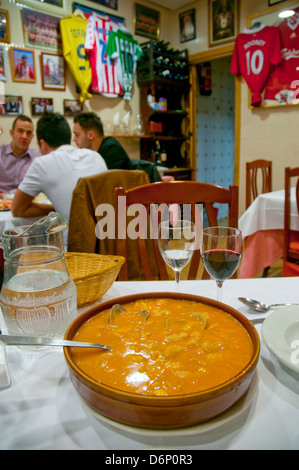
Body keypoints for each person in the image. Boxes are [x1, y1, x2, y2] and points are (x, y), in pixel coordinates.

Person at [11, 112, 108, 222]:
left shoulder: (42, 164)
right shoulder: (95, 156)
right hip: (111, 235)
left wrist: (56, 209)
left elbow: (17, 210)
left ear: (42, 144)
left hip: (76, 237)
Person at [0, 114, 40, 195]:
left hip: (25, 203)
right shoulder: (1, 153)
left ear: (32, 136)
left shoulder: (37, 158)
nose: (24, 136)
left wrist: (9, 194)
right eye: (20, 131)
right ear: (12, 133)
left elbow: (36, 186)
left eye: (28, 133)